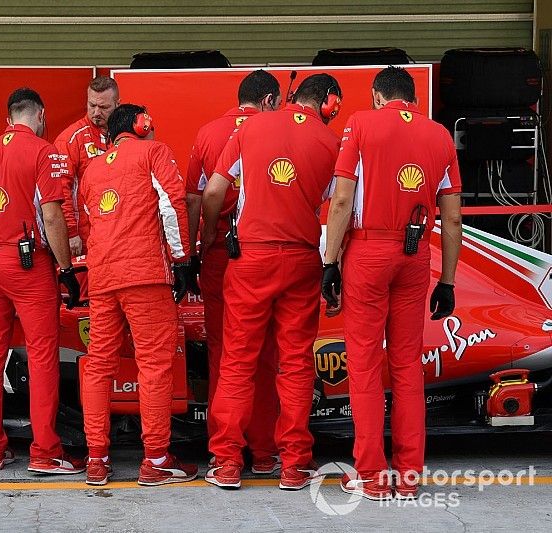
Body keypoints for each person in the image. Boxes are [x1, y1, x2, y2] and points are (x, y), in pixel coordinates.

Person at [322, 66, 462, 500]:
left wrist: (330, 261)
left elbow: (342, 198)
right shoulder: (439, 135)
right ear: (413, 99)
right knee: (405, 367)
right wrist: (449, 281)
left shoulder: (360, 123)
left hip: (368, 251)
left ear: (378, 96)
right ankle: (409, 475)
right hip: (415, 253)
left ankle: (371, 476)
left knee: (363, 365)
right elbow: (453, 214)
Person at [203, 74, 343, 490]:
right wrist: (333, 265)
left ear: (293, 97)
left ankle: (227, 461)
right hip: (302, 258)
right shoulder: (332, 144)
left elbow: (213, 192)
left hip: (250, 259)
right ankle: (293, 464)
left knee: (237, 360)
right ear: (329, 104)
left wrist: (208, 235)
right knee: (296, 363)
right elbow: (341, 206)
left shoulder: (249, 129)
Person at [0, 87, 83, 473]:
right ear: (41, 114)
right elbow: (52, 218)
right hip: (28, 265)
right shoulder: (45, 152)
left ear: (9, 117)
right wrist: (66, 269)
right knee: (43, 356)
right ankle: (46, 452)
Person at [79, 103, 197, 487]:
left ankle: (96, 458)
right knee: (154, 365)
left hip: (102, 278)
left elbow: (87, 224)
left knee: (99, 365)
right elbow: (172, 204)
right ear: (138, 123)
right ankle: (156, 460)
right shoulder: (154, 151)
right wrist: (182, 260)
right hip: (146, 274)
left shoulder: (92, 169)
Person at [185, 69, 282, 475]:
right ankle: (264, 452)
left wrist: (195, 249)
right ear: (270, 102)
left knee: (225, 354)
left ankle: (224, 453)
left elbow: (194, 197)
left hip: (221, 252)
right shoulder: (278, 132)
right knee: (267, 356)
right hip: (270, 251)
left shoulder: (208, 133)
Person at [54, 76, 120, 258]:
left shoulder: (123, 136)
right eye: (92, 105)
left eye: (104, 107)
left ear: (117, 104)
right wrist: (71, 233)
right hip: (84, 237)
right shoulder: (70, 139)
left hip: (117, 235)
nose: (96, 112)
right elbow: (60, 189)